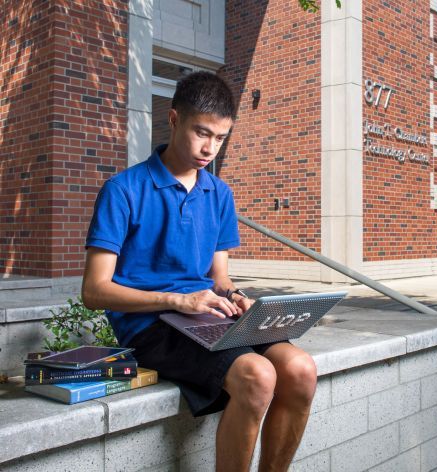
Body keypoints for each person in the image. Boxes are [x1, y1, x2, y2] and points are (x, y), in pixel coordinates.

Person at [81, 71, 317, 471]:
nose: (210, 148)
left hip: (204, 316)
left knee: (300, 369)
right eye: (201, 133)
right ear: (174, 120)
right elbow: (94, 291)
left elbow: (219, 278)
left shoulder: (219, 194)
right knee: (257, 376)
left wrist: (235, 297)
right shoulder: (123, 191)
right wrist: (179, 299)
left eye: (221, 138)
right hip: (150, 325)